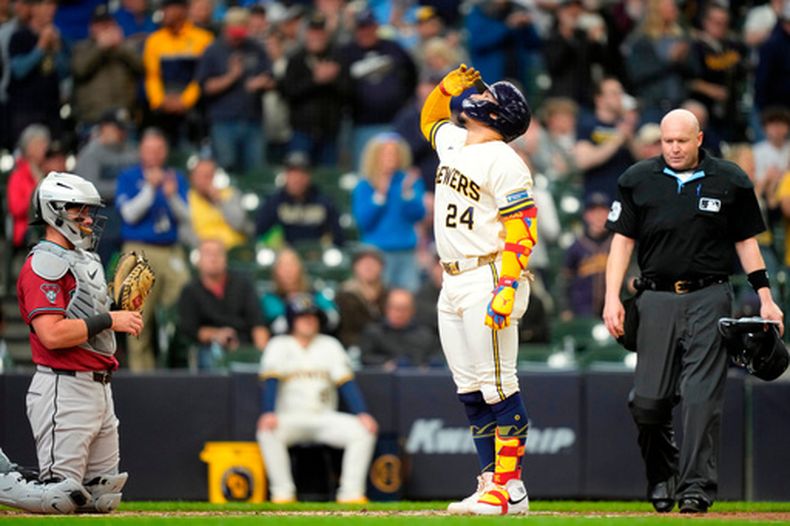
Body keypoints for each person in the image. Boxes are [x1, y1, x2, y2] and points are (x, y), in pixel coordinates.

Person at [602, 109, 784, 514]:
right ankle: (662, 472)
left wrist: (766, 297)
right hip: (655, 298)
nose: (674, 148)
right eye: (667, 141)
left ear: (699, 138)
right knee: (648, 404)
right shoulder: (637, 179)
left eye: (681, 141)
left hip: (710, 296)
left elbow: (746, 242)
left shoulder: (731, 179)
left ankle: (695, 489)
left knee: (702, 398)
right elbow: (621, 243)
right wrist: (611, 296)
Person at [420, 64, 533, 515]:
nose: (478, 96)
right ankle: (492, 483)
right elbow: (430, 120)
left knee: (499, 385)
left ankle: (507, 489)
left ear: (499, 115)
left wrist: (507, 285)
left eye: (488, 95)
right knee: (470, 390)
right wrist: (445, 88)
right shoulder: (457, 142)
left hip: (488, 274)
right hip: (452, 278)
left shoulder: (505, 159)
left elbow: (522, 227)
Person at [5, 172, 143, 514]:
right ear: (54, 211)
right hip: (63, 387)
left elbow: (87, 321)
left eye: (88, 210)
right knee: (60, 498)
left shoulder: (87, 260)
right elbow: (51, 334)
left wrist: (117, 310)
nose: (87, 218)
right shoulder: (44, 263)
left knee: (102, 499)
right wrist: (111, 319)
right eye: (77, 210)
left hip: (99, 388)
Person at [256, 294, 378, 503]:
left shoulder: (329, 344)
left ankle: (351, 493)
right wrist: (268, 412)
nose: (308, 320)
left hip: (324, 417)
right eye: (302, 316)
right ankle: (282, 493)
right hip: (290, 418)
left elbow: (346, 383)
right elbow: (271, 382)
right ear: (292, 320)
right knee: (267, 431)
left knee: (362, 431)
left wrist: (362, 413)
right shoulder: (278, 344)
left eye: (312, 316)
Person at [115, 128, 191, 371]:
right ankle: (142, 376)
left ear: (166, 151)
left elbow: (187, 216)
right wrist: (149, 189)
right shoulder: (129, 176)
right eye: (150, 149)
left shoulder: (175, 177)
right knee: (137, 318)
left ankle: (177, 361)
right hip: (139, 250)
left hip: (170, 250)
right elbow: (128, 214)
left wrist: (171, 197)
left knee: (184, 300)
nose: (155, 155)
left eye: (159, 149)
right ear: (141, 151)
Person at [196, 7, 274, 174]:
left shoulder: (255, 48)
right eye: (234, 32)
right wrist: (231, 77)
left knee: (256, 172)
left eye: (241, 31)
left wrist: (261, 82)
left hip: (253, 120)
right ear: (225, 28)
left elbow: (271, 78)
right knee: (226, 170)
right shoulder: (213, 51)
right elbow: (205, 87)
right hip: (224, 122)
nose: (238, 38)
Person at [177, 239, 268, 370]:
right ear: (199, 261)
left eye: (218, 253)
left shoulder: (243, 285)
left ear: (225, 258)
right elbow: (190, 329)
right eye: (208, 254)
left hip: (244, 343)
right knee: (212, 356)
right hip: (210, 346)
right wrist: (217, 334)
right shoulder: (190, 291)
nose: (213, 258)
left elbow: (258, 324)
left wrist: (262, 354)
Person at [352, 133, 426, 292]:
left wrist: (407, 195)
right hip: (376, 254)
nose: (390, 157)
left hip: (406, 252)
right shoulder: (365, 185)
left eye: (394, 153)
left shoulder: (409, 182)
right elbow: (363, 222)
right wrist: (379, 195)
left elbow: (419, 214)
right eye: (385, 153)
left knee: (409, 297)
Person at [142, 0, 213, 148]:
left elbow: (202, 76)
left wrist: (185, 101)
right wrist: (160, 101)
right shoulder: (154, 40)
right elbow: (152, 76)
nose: (165, 13)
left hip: (194, 110)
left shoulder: (203, 38)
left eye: (169, 9)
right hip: (163, 110)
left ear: (182, 10)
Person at [255, 152, 345, 248]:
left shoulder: (324, 202)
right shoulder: (273, 203)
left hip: (315, 256)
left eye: (302, 173)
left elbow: (338, 238)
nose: (297, 179)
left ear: (309, 176)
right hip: (283, 257)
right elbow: (260, 236)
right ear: (286, 175)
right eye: (292, 173)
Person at [358, 288, 441, 369]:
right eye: (396, 308)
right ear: (386, 309)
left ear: (412, 311)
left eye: (404, 309)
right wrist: (384, 363)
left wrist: (426, 367)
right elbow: (365, 358)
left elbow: (437, 359)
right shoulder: (373, 333)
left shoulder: (426, 335)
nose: (400, 314)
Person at [561, 192, 612, 319]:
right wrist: (565, 308)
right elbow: (565, 281)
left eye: (602, 211)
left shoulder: (618, 244)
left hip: (612, 311)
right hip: (582, 312)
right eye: (594, 212)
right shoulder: (576, 246)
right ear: (586, 216)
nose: (598, 216)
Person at [187, 157, 252, 249]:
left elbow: (239, 224)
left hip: (234, 249)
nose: (206, 180)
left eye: (210, 175)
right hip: (205, 252)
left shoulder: (231, 194)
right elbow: (185, 232)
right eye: (202, 175)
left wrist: (220, 201)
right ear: (192, 178)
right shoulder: (187, 199)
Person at [335, 246, 388, 349]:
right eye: (364, 264)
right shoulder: (344, 296)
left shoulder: (390, 294)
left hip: (386, 344)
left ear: (382, 267)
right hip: (354, 345)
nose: (368, 267)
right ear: (355, 267)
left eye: (373, 264)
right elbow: (345, 329)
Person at [6, 124, 49, 249]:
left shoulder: (49, 170)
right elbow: (16, 209)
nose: (45, 147)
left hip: (49, 225)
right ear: (29, 147)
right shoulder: (18, 175)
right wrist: (36, 189)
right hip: (26, 228)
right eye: (40, 144)